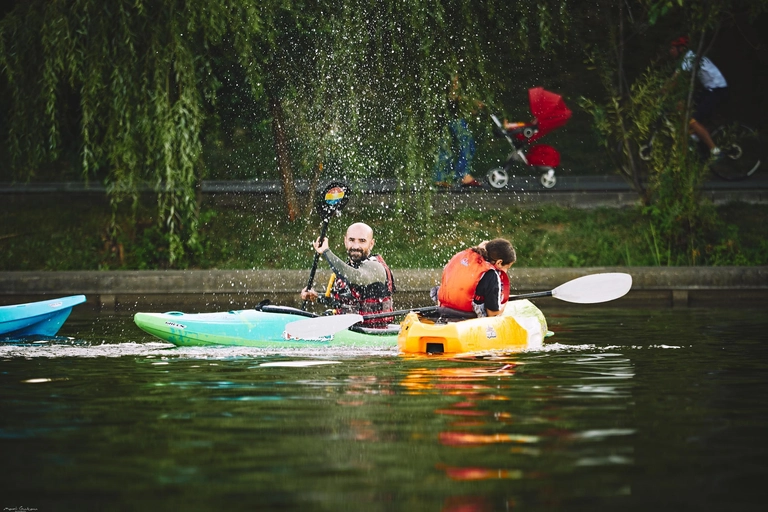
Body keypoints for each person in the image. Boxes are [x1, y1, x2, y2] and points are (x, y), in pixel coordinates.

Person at [301, 222, 395, 328]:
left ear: (371, 244)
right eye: (351, 240)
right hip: (349, 328)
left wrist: (326, 252)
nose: (356, 246)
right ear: (345, 241)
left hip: (373, 332)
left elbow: (355, 277)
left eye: (362, 241)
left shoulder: (375, 267)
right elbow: (342, 303)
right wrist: (317, 297)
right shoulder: (346, 268)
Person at [669, 36, 729, 156]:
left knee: (692, 120)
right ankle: (697, 137)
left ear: (681, 49)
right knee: (682, 107)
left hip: (717, 90)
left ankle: (715, 150)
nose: (670, 51)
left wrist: (659, 92)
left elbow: (674, 81)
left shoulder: (688, 59)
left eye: (672, 48)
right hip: (710, 89)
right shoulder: (689, 57)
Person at [434, 238, 516, 318]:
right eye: (507, 268)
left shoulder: (462, 256)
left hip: (443, 310)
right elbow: (492, 314)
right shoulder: (491, 274)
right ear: (499, 262)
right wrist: (505, 303)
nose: (506, 271)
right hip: (466, 317)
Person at [434, 73, 482, 188]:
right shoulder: (451, 70)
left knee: (446, 145)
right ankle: (462, 174)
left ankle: (440, 177)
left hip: (447, 114)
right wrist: (470, 102)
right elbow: (452, 95)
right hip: (452, 115)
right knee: (466, 142)